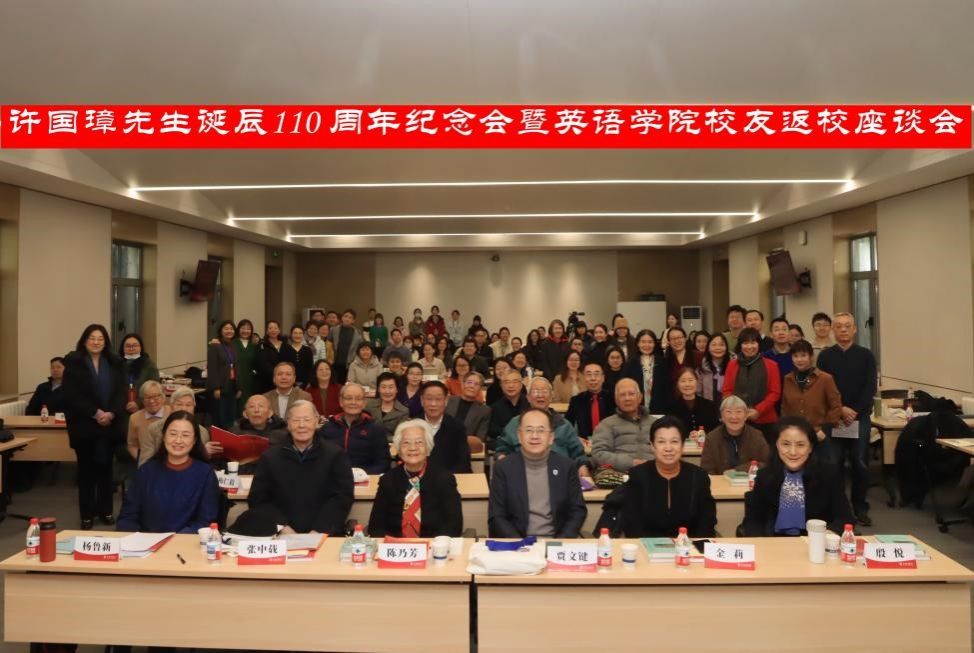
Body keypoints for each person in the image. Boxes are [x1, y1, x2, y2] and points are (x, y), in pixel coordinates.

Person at [234, 400, 354, 535]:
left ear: (316, 422)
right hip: (280, 534)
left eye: (307, 420)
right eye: (296, 420)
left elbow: (342, 497)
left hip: (324, 534)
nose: (301, 425)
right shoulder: (270, 457)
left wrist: (320, 530)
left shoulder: (335, 455)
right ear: (288, 424)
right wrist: (282, 527)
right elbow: (258, 498)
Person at [742, 416, 854, 536]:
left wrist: (828, 533)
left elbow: (845, 518)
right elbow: (752, 522)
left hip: (816, 542)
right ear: (776, 445)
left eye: (800, 445)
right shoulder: (764, 476)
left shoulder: (828, 475)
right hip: (774, 543)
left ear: (810, 447)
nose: (793, 452)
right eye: (786, 444)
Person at [816, 312, 877, 526]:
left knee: (860, 463)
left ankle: (860, 508)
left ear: (855, 329)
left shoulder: (866, 355)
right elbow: (821, 387)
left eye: (847, 326)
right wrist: (840, 409)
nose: (843, 329)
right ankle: (838, 509)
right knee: (834, 464)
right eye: (839, 326)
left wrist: (854, 411)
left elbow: (870, 387)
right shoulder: (825, 356)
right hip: (834, 417)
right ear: (833, 329)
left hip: (859, 418)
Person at [63, 324, 127, 529]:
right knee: (86, 472)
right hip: (84, 425)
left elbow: (122, 392)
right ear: (84, 340)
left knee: (106, 470)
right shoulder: (73, 362)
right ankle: (87, 514)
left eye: (100, 338)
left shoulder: (115, 362)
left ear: (106, 342)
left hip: (109, 425)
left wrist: (112, 413)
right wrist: (96, 413)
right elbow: (71, 394)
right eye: (92, 338)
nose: (96, 342)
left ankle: (106, 511)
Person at [488, 408, 587, 538]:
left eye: (541, 430)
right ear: (519, 436)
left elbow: (577, 511)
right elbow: (497, 516)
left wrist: (558, 543)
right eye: (529, 430)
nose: (535, 436)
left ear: (551, 437)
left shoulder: (566, 467)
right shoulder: (503, 468)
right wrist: (521, 544)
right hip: (516, 543)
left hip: (556, 542)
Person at [117, 411, 219, 534]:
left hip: (186, 542)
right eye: (173, 434)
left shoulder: (205, 474)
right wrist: (136, 537)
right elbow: (128, 516)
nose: (178, 440)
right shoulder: (146, 471)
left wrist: (176, 539)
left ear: (194, 440)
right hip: (147, 541)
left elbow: (205, 521)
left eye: (185, 435)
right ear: (164, 436)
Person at [620, 416, 717, 538]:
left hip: (689, 545)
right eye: (661, 442)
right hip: (647, 545)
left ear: (682, 445)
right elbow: (631, 523)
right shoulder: (638, 475)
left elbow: (707, 522)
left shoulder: (698, 476)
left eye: (674, 441)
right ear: (652, 446)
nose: (668, 448)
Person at [368, 419, 462, 537]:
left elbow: (453, 527)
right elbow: (375, 527)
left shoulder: (444, 480)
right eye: (406, 443)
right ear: (399, 450)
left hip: (433, 545)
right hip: (395, 546)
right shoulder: (388, 480)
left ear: (428, 448)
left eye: (419, 442)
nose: (412, 448)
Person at [496, 377, 590, 478]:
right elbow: (502, 448)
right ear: (528, 397)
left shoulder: (563, 424)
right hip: (522, 474)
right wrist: (503, 458)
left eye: (544, 391)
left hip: (559, 474)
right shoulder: (516, 423)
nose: (540, 395)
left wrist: (582, 466)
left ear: (551, 397)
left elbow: (578, 453)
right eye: (535, 391)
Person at [723, 327, 781, 444]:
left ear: (759, 344)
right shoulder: (732, 365)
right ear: (740, 345)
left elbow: (775, 393)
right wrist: (738, 411)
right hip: (737, 419)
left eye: (753, 342)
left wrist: (758, 411)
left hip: (765, 421)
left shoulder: (771, 365)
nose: (749, 347)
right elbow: (727, 391)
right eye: (745, 343)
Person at [780, 340, 843, 449]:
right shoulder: (787, 379)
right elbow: (785, 408)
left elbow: (836, 406)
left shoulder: (825, 378)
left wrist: (825, 430)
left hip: (819, 435)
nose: (799, 359)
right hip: (795, 436)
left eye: (803, 355)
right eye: (795, 356)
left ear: (811, 357)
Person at [319, 383, 390, 474]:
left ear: (364, 403)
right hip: (333, 478)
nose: (353, 402)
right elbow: (319, 459)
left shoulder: (376, 429)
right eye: (348, 398)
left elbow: (383, 463)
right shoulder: (327, 428)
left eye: (358, 399)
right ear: (341, 401)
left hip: (365, 478)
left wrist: (360, 475)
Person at [139, 386, 218, 466]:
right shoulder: (153, 429)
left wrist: (204, 453)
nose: (184, 408)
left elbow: (203, 466)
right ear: (171, 406)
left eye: (188, 405)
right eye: (179, 404)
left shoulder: (203, 432)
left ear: (194, 407)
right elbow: (144, 464)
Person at [591, 378, 656, 472]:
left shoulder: (655, 423)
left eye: (631, 394)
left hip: (653, 473)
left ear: (640, 397)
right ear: (616, 400)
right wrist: (631, 463)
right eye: (622, 395)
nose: (627, 398)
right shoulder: (607, 424)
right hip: (620, 474)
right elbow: (598, 454)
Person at [699, 396, 770, 475]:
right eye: (728, 412)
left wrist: (739, 470)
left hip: (750, 481)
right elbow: (706, 470)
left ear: (746, 416)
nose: (734, 416)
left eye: (739, 412)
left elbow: (768, 464)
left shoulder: (756, 436)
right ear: (722, 416)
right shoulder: (712, 438)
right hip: (721, 482)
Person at [419, 381, 472, 473]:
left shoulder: (457, 426)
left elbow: (463, 461)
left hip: (450, 476)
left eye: (438, 399)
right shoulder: (412, 426)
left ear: (446, 400)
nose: (433, 404)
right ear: (422, 400)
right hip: (419, 478)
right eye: (429, 399)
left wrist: (445, 477)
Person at [622, 329, 670, 414]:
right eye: (643, 342)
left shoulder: (662, 362)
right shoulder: (630, 364)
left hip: (659, 409)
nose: (646, 345)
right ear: (638, 343)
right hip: (636, 409)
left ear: (654, 344)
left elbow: (667, 388)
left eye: (650, 342)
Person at [566, 362, 616, 440]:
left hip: (611, 442)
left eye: (596, 374)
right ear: (584, 378)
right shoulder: (576, 400)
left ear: (603, 378)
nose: (593, 378)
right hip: (585, 443)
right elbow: (567, 426)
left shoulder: (614, 399)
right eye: (589, 375)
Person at [207, 320, 240, 429]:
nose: (229, 331)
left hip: (232, 384)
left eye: (231, 329)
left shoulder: (234, 345)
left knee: (231, 415)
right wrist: (216, 387)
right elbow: (212, 368)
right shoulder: (215, 346)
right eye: (226, 329)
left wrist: (239, 387)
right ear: (220, 331)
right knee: (220, 416)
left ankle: (230, 436)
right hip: (221, 386)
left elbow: (237, 366)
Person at [126, 380, 170, 461]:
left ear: (162, 397)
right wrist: (142, 460)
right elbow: (132, 445)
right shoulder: (134, 418)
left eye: (155, 396)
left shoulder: (171, 413)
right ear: (142, 400)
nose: (151, 401)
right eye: (147, 397)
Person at [488, 369, 530, 451]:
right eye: (506, 382)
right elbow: (493, 431)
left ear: (521, 385)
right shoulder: (495, 408)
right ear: (501, 385)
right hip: (505, 448)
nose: (511, 385)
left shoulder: (530, 404)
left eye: (515, 382)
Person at [669, 368, 720, 434]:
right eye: (683, 381)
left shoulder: (710, 406)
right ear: (677, 384)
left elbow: (716, 430)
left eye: (690, 380)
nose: (687, 384)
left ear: (697, 382)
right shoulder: (671, 409)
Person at [446, 372, 492, 445]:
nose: (472, 386)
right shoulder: (447, 401)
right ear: (463, 384)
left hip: (466, 447)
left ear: (480, 388)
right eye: (469, 382)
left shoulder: (484, 411)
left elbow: (480, 439)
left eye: (476, 384)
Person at [119, 333, 160, 415]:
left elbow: (154, 389)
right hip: (120, 409)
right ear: (122, 348)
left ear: (141, 347)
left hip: (144, 409)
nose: (131, 348)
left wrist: (138, 403)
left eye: (135, 345)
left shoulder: (149, 365)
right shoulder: (116, 364)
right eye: (128, 346)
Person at [365, 372, 409, 441]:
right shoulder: (369, 405)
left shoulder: (403, 411)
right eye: (383, 387)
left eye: (391, 387)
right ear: (378, 389)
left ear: (397, 389)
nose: (387, 391)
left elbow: (399, 436)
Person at [232, 318, 261, 411]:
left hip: (250, 382)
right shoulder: (232, 343)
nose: (245, 331)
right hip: (235, 381)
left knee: (249, 408)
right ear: (238, 329)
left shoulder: (254, 346)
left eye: (248, 329)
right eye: (243, 328)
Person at [330, 309, 363, 383]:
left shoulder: (357, 333)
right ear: (342, 318)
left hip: (349, 365)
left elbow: (359, 349)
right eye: (345, 316)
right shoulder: (334, 330)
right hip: (334, 363)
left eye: (350, 317)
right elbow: (328, 344)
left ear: (353, 321)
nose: (347, 319)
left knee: (346, 386)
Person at [697, 333, 731, 402]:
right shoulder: (701, 369)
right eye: (714, 345)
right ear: (708, 348)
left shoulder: (734, 366)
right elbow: (698, 393)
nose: (718, 348)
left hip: (730, 407)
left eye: (721, 345)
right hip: (708, 406)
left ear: (726, 348)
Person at [255, 320, 285, 393]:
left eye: (275, 328)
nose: (273, 330)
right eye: (270, 328)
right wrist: (275, 377)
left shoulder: (286, 345)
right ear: (267, 331)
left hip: (284, 380)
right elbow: (261, 364)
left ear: (279, 330)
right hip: (266, 382)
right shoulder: (262, 345)